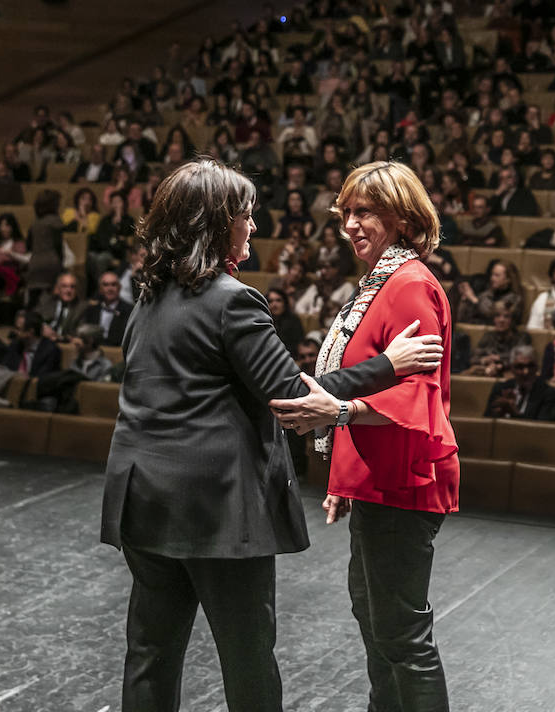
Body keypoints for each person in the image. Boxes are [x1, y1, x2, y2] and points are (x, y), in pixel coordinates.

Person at [99, 159, 443, 711]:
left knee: (150, 652)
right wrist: (388, 364)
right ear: (217, 223)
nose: (253, 226)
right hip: (215, 506)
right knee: (248, 655)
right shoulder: (232, 299)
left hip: (143, 499)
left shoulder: (147, 298)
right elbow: (292, 396)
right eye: (246, 215)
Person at [266, 161, 459, 712]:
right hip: (379, 479)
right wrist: (346, 478)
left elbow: (417, 397)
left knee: (400, 634)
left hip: (406, 479)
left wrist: (341, 409)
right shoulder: (379, 282)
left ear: (401, 217)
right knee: (376, 621)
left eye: (365, 211)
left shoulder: (409, 285)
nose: (350, 223)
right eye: (346, 212)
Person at [484, 344, 555, 419]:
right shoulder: (500, 388)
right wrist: (497, 414)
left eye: (530, 366)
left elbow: (541, 428)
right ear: (512, 368)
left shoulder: (548, 393)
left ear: (537, 368)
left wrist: (514, 413)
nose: (526, 372)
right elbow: (486, 422)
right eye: (520, 367)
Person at [467, 304, 531, 376]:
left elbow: (523, 359)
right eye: (497, 316)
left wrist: (500, 361)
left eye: (506, 317)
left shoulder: (522, 337)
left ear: (512, 320)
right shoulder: (488, 336)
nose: (501, 320)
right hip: (486, 370)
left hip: (510, 373)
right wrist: (484, 360)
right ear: (494, 319)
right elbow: (473, 358)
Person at [456, 260, 524, 325]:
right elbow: (463, 318)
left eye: (497, 275)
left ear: (508, 279)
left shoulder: (515, 298)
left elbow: (494, 314)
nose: (492, 278)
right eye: (492, 274)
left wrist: (474, 299)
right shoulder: (486, 294)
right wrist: (465, 300)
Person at [79, 270, 131, 347]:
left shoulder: (129, 310)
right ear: (100, 289)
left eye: (113, 285)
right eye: (106, 285)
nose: (110, 288)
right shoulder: (91, 310)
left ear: (119, 288)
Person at [1, 311, 59, 378]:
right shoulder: (15, 345)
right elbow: (4, 368)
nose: (15, 332)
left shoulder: (50, 350)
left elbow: (43, 378)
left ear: (30, 331)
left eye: (18, 329)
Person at [36, 272, 86, 342]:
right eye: (64, 286)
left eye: (72, 287)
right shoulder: (48, 302)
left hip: (63, 343)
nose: (68, 290)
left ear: (76, 290)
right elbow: (34, 318)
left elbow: (79, 333)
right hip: (42, 340)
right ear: (58, 288)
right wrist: (42, 327)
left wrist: (59, 337)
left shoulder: (82, 308)